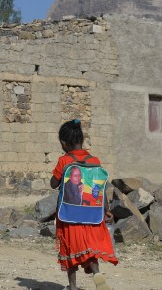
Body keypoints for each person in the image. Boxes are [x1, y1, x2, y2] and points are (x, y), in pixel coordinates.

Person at [50, 119, 117, 290]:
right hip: (92, 214)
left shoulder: (64, 161)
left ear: (64, 143)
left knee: (70, 248)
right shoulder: (94, 160)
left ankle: (72, 286)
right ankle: (96, 273)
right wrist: (107, 210)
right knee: (89, 247)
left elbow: (53, 183)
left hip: (69, 215)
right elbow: (99, 188)